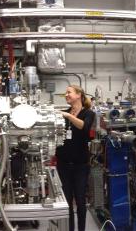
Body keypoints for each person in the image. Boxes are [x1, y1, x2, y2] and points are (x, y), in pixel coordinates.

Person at [56, 85, 96, 231]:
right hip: (63, 165)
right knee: (67, 202)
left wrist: (68, 116)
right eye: (65, 92)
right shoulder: (64, 113)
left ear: (79, 94)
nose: (66, 95)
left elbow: (84, 127)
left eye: (69, 92)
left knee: (80, 200)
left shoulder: (88, 113)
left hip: (80, 165)